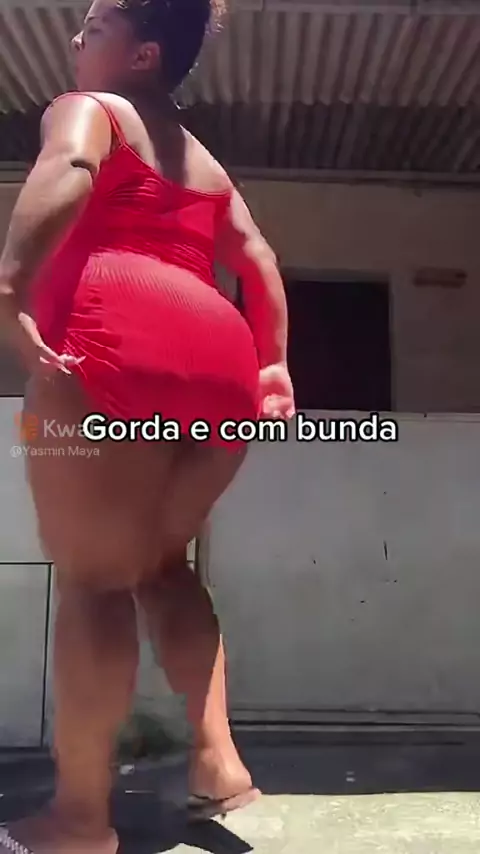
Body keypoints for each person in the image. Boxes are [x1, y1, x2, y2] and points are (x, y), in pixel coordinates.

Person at [0, 0, 295, 851]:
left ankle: (78, 821)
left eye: (95, 28)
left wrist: (10, 283)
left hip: (118, 337)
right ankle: (217, 764)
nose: (76, 39)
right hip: (221, 360)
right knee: (162, 567)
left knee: (94, 582)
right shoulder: (203, 161)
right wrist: (274, 363)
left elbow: (70, 166)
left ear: (143, 55)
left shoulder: (91, 110)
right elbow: (258, 259)